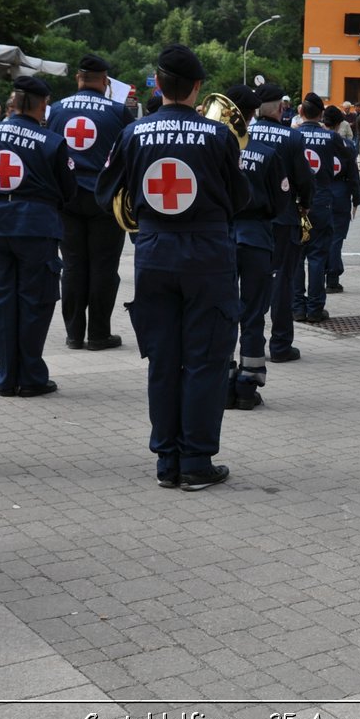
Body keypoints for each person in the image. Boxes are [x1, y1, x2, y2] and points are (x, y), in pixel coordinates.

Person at [96, 44, 248, 491]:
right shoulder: (219, 136)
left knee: (163, 359)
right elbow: (239, 197)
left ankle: (167, 460)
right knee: (205, 359)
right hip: (207, 253)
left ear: (158, 85)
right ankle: (196, 462)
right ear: (197, 87)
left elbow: (107, 193)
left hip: (154, 252)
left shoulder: (133, 133)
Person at [0, 76, 76, 399]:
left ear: (13, 102)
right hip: (36, 227)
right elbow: (69, 190)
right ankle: (31, 375)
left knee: (4, 302)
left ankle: (6, 376)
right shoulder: (51, 141)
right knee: (35, 302)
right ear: (41, 104)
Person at [47, 55, 134, 349]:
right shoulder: (118, 111)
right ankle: (98, 334)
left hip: (67, 199)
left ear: (78, 79)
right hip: (104, 199)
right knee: (103, 266)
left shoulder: (55, 110)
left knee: (72, 265)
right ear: (105, 81)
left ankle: (73, 334)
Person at [226, 85, 288, 410]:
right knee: (253, 313)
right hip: (256, 240)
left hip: (220, 239)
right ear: (253, 114)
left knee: (220, 311)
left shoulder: (211, 148)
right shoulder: (266, 152)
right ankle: (248, 387)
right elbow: (279, 203)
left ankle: (222, 384)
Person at [247, 82, 313, 366]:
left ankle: (251, 343)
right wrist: (306, 204)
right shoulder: (292, 137)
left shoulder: (244, 134)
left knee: (250, 283)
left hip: (248, 220)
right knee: (283, 280)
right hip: (284, 218)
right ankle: (281, 345)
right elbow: (304, 180)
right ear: (281, 108)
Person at [291, 94, 342, 322]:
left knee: (296, 256)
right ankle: (315, 309)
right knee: (317, 256)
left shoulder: (291, 136)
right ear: (321, 114)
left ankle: (297, 308)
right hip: (320, 202)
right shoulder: (331, 137)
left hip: (296, 204)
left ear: (301, 111)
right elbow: (347, 162)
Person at [321, 105, 360, 294]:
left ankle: (317, 275)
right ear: (339, 124)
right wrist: (356, 198)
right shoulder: (348, 145)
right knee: (336, 238)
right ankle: (333, 278)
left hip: (319, 192)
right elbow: (353, 174)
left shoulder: (313, 141)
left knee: (318, 238)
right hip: (340, 194)